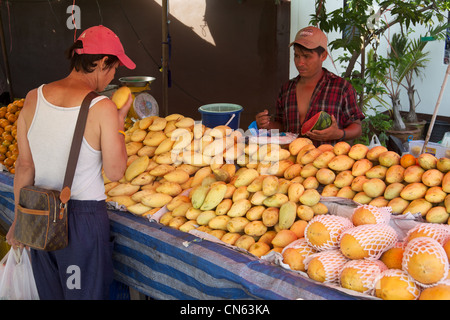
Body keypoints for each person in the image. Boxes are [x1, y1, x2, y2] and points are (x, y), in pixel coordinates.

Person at [6, 25, 135, 300]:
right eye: (113, 68)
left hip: (39, 216)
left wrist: (20, 220)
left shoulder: (33, 97)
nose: (114, 75)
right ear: (100, 63)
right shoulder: (103, 107)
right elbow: (115, 172)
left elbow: (24, 166)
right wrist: (120, 121)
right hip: (82, 221)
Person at [255, 26, 364, 146]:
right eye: (296, 56)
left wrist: (339, 134)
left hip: (327, 161)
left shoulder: (342, 88)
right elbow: (281, 125)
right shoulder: (286, 89)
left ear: (323, 56)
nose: (300, 63)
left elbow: (357, 127)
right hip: (292, 161)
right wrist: (267, 124)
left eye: (306, 56)